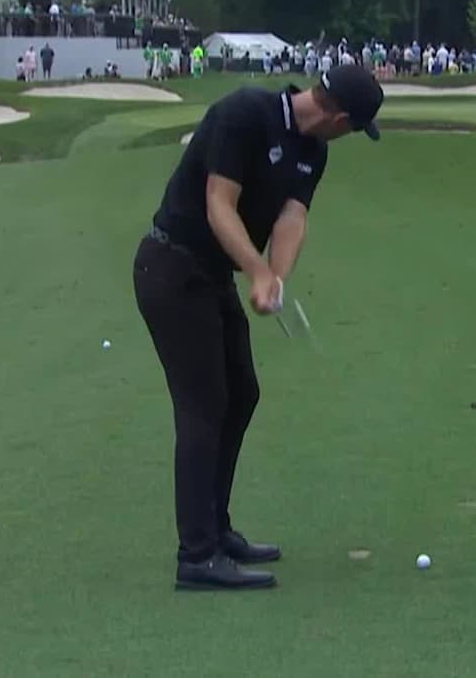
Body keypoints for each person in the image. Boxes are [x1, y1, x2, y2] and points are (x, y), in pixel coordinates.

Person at [132, 63, 385, 591]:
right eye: (355, 126)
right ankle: (196, 556)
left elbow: (292, 218)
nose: (351, 135)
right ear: (339, 116)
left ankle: (217, 529)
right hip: (171, 266)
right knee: (203, 406)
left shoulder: (315, 151)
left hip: (210, 273)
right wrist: (255, 268)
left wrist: (276, 277)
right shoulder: (243, 113)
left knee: (241, 392)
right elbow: (218, 205)